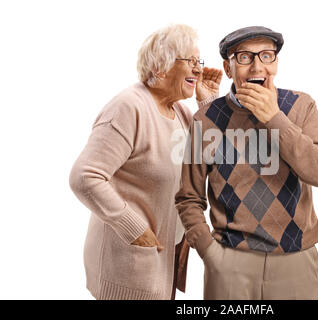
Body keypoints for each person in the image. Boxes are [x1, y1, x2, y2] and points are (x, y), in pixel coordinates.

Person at [175, 26, 318, 299]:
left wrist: (274, 117)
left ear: (276, 63)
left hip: (295, 261)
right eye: (245, 57)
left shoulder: (301, 107)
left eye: (267, 56)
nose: (257, 66)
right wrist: (211, 254)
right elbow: (188, 197)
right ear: (228, 68)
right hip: (230, 261)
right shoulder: (205, 120)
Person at [69, 24, 222, 300]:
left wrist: (209, 102)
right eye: (190, 61)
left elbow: (218, 163)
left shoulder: (180, 112)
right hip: (129, 267)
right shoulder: (128, 107)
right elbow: (84, 176)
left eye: (199, 61)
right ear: (160, 68)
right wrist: (133, 228)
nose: (199, 69)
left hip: (163, 265)